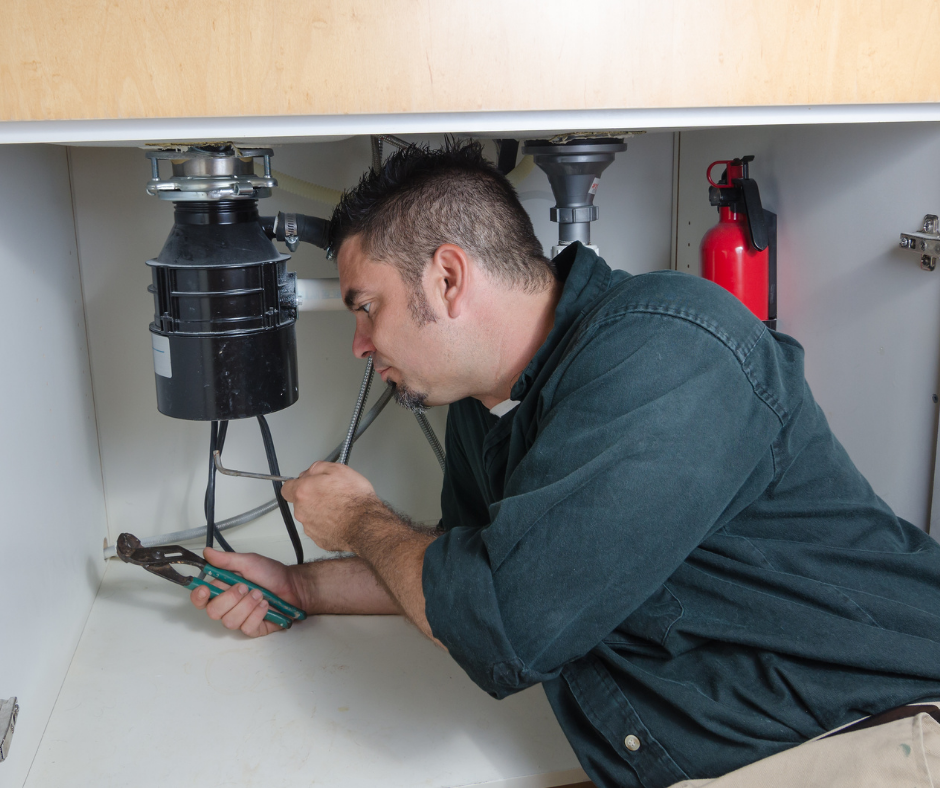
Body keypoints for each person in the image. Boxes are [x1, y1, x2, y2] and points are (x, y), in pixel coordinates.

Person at [189, 141, 940, 788]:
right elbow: (455, 576)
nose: (359, 343)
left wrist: (356, 519)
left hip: (877, 738)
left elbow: (501, 624)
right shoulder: (486, 410)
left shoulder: (670, 352)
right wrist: (296, 585)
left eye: (366, 307)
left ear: (448, 279)